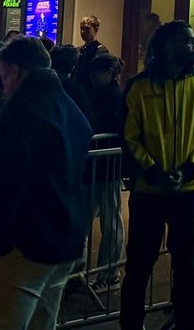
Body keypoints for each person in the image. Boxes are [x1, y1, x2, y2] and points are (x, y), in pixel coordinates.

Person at [0, 37, 92, 330]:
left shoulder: (22, 113)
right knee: (42, 318)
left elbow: (6, 182)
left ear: (16, 71)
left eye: (4, 76)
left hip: (25, 240)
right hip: (63, 235)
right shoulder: (68, 107)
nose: (2, 86)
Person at [121, 22, 194, 330]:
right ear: (168, 46)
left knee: (186, 265)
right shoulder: (138, 87)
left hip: (187, 189)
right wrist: (153, 171)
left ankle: (185, 323)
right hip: (150, 190)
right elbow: (129, 136)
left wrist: (187, 170)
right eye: (189, 41)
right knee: (139, 265)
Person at [78, 52, 126, 288]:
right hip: (105, 165)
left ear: (108, 73)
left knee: (104, 219)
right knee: (108, 218)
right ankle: (106, 271)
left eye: (96, 72)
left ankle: (106, 273)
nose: (92, 76)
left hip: (103, 165)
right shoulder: (112, 95)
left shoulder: (109, 97)